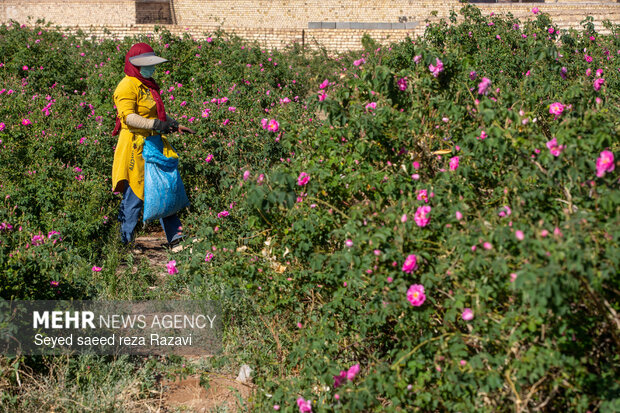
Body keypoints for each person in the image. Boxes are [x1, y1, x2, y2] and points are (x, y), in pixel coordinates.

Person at [111, 42, 193, 248]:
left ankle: (176, 238)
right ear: (135, 66)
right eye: (147, 65)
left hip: (153, 143)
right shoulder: (127, 86)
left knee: (164, 187)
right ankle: (124, 242)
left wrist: (174, 125)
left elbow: (155, 114)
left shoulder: (147, 84)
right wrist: (158, 125)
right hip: (135, 146)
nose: (152, 68)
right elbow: (128, 118)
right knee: (135, 193)